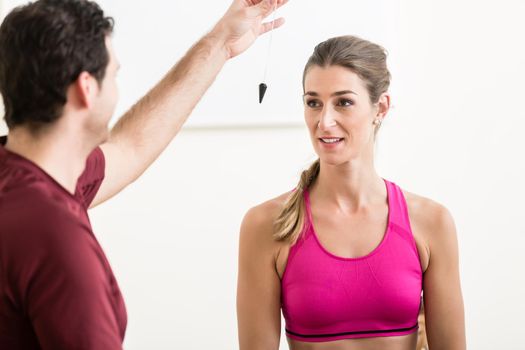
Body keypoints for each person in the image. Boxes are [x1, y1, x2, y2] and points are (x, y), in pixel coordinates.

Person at [0, 0, 288, 348]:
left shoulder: (25, 177)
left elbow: (130, 146)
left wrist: (220, 43)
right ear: (86, 89)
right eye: (114, 74)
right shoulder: (53, 235)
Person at [237, 35, 466, 350]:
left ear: (380, 107)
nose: (324, 121)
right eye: (313, 102)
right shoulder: (266, 224)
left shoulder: (431, 222)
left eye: (343, 102)